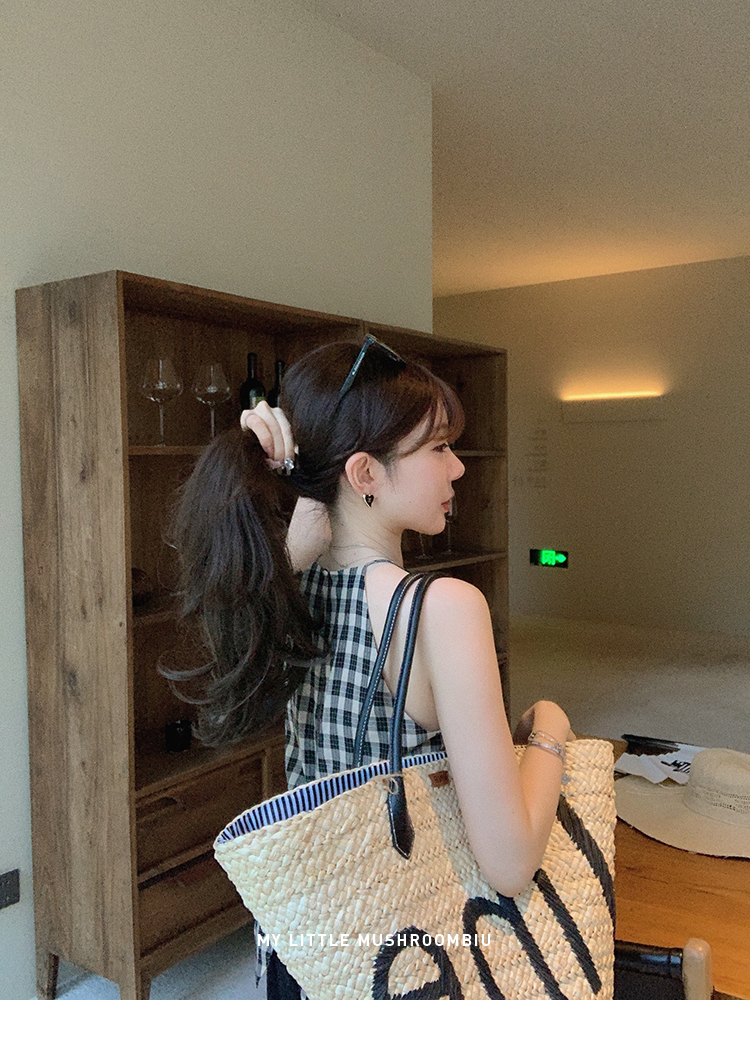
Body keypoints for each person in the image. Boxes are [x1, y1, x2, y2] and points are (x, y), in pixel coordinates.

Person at [166, 336, 573, 999]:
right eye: (438, 448)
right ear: (364, 475)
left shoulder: (285, 585)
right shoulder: (444, 609)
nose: (458, 469)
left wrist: (287, 471)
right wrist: (551, 728)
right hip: (409, 962)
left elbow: (273, 562)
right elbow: (509, 862)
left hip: (308, 947)